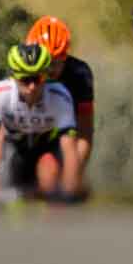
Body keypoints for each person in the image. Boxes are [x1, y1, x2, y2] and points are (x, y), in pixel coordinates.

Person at [0, 42, 84, 201]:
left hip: (47, 145)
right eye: (25, 80)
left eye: (38, 78)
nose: (32, 87)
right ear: (14, 77)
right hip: (15, 144)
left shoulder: (60, 96)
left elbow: (69, 148)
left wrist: (69, 193)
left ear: (46, 75)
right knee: (5, 195)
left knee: (55, 188)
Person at [25, 15, 95, 170]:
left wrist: (74, 173)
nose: (49, 70)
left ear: (65, 58)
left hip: (63, 138)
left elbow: (85, 133)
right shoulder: (21, 73)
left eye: (55, 63)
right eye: (45, 63)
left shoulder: (79, 74)